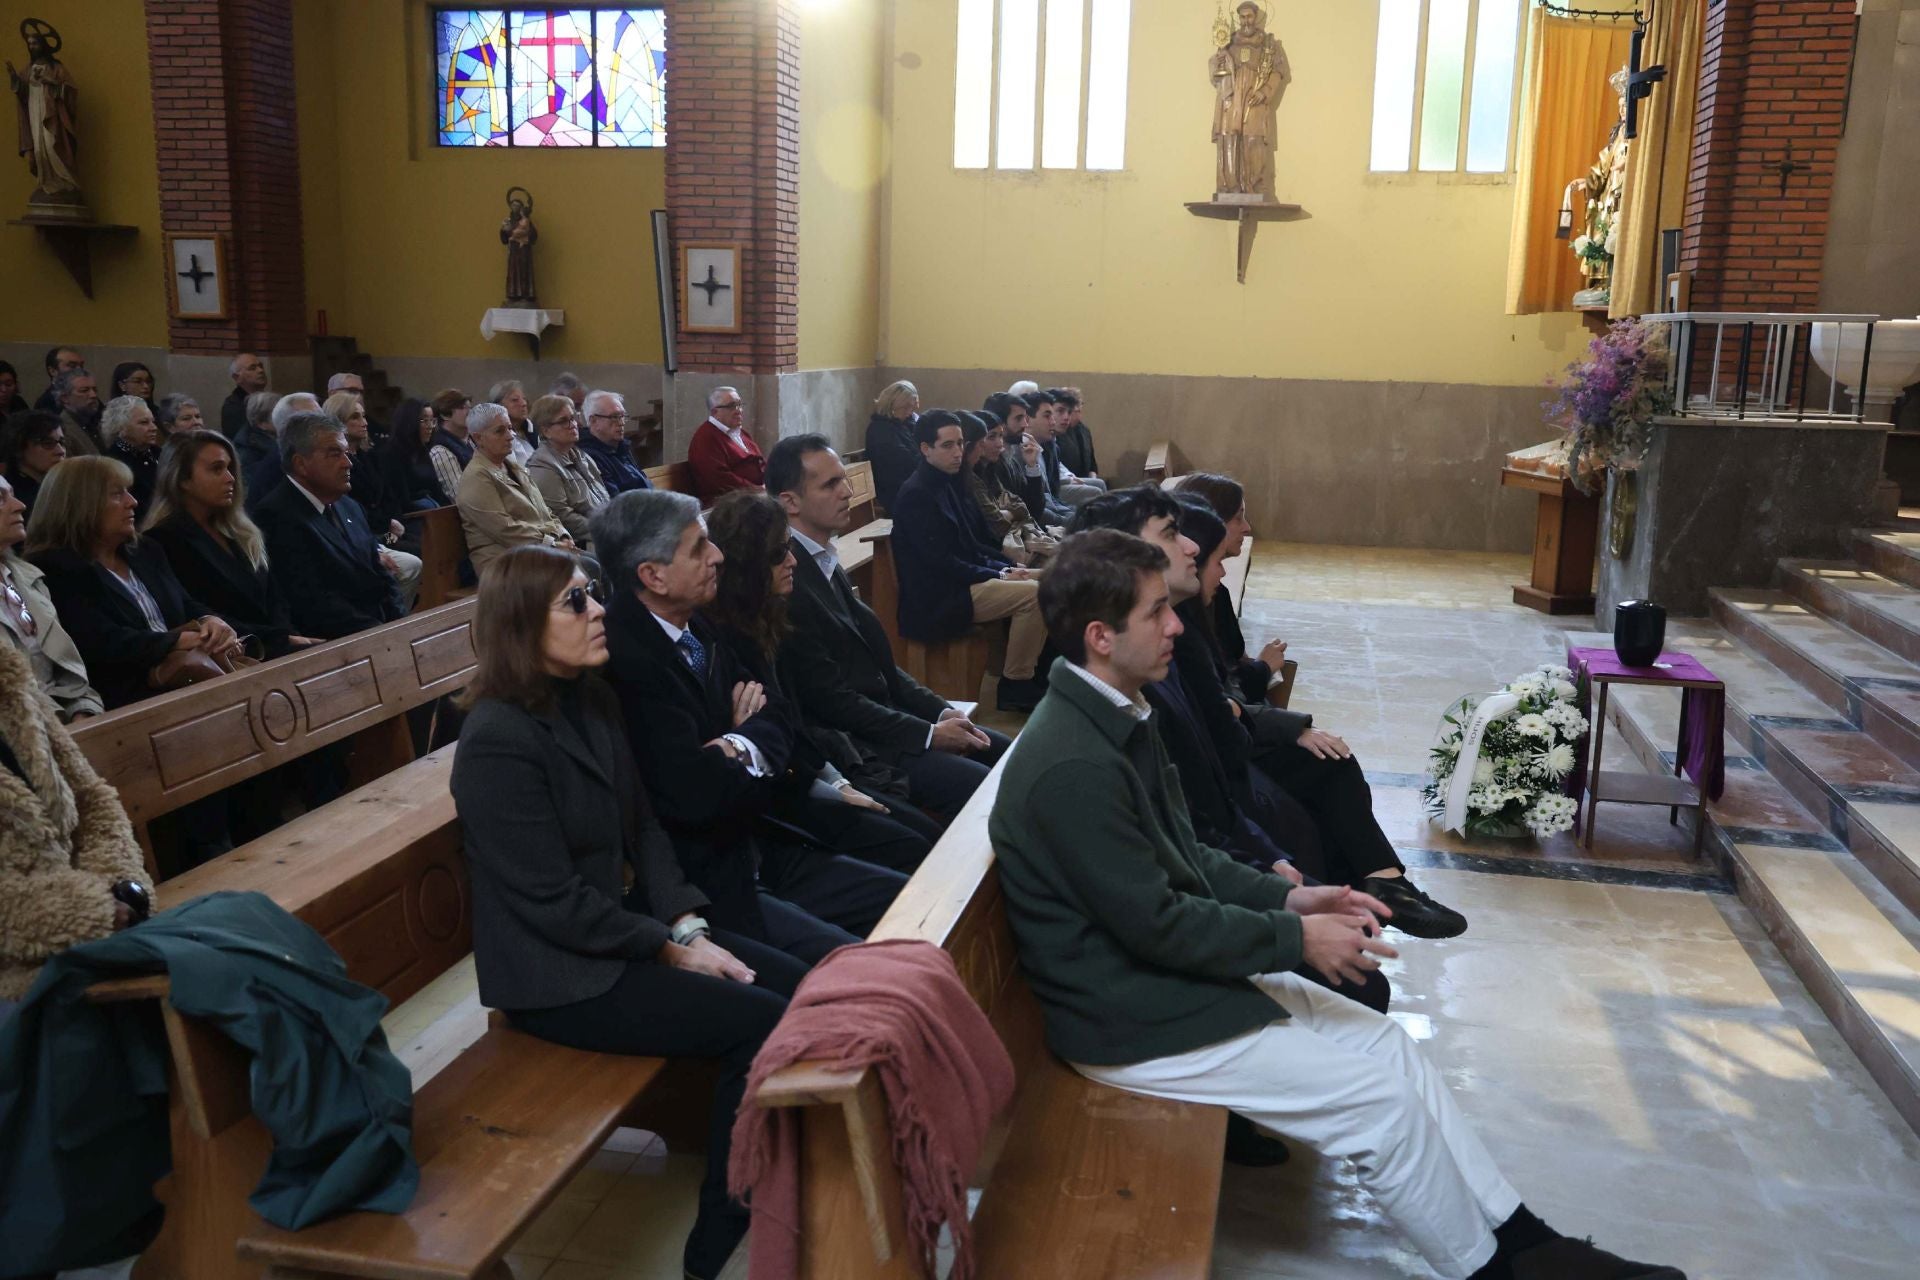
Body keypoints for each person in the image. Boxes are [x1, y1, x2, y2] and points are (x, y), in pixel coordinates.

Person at [990, 531, 1685, 1280]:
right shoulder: (1071, 764)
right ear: (1101, 637)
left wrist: (1293, 894)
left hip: (1155, 985)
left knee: (1388, 1050)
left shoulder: (1119, 714)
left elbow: (1185, 857)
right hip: (1126, 1019)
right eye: (1158, 612)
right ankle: (1491, 1274)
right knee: (1376, 1106)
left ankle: (1525, 1244)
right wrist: (1295, 938)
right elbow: (1157, 922)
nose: (1178, 626)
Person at [449, 545, 805, 1280]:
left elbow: (645, 829)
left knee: (801, 985)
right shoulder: (495, 742)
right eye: (575, 602)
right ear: (522, 624)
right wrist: (672, 950)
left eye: (595, 595)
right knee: (758, 1019)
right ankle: (723, 1232)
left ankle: (778, 1169)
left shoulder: (590, 696)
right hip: (558, 976)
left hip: (618, 934)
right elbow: (550, 902)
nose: (599, 610)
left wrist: (688, 926)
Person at [590, 489, 905, 965]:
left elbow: (777, 714)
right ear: (653, 576)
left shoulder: (696, 624)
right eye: (698, 548)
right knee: (857, 966)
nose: (717, 556)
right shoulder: (625, 658)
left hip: (763, 839)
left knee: (908, 898)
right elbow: (690, 795)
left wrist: (733, 743)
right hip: (710, 878)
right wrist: (747, 742)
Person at [767, 435, 1009, 820]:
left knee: (1012, 755)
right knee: (985, 789)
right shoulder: (788, 580)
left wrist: (941, 712)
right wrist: (927, 735)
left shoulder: (824, 558)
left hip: (887, 721)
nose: (846, 492)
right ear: (790, 501)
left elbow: (882, 666)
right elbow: (832, 702)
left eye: (844, 479)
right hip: (860, 744)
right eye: (830, 485)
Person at [706, 490, 943, 872]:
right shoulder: (730, 639)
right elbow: (790, 727)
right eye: (777, 554)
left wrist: (835, 781)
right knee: (914, 846)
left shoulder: (768, 615)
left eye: (788, 548)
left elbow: (789, 723)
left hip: (819, 765)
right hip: (783, 797)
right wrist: (834, 785)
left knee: (921, 836)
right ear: (744, 565)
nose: (792, 561)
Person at [0, 636, 149, 1016]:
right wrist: (92, 911)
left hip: (100, 923)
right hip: (17, 969)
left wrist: (118, 884)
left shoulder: (11, 682)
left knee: (233, 948)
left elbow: (92, 800)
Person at [25, 456, 242, 709]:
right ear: (81, 504)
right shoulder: (53, 568)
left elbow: (184, 603)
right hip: (131, 699)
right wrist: (176, 641)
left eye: (128, 492)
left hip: (192, 676)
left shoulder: (146, 550)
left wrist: (210, 621)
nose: (133, 502)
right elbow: (99, 642)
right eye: (117, 495)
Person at [889, 412, 1048, 712]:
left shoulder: (948, 482)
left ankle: (1040, 670)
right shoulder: (917, 494)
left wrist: (1007, 568)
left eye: (960, 443)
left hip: (963, 581)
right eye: (947, 445)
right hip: (941, 596)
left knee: (1051, 578)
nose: (958, 452)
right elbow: (941, 563)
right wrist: (999, 575)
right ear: (925, 448)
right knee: (1033, 595)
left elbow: (972, 544)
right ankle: (1016, 684)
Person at [142, 430, 319, 659]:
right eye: (217, 469)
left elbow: (274, 596)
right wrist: (279, 639)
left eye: (229, 468)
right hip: (238, 654)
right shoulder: (164, 540)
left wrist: (288, 635)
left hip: (281, 644)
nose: (230, 478)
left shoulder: (238, 531)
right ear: (183, 479)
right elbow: (198, 612)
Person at [252, 412, 406, 640]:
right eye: (335, 454)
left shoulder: (349, 506)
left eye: (346, 452)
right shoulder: (276, 515)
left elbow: (381, 575)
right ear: (300, 464)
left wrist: (401, 624)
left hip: (377, 631)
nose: (348, 463)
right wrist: (379, 634)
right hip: (336, 644)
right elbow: (314, 602)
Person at [1, 472, 104, 722]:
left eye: (13, 495)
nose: (20, 505)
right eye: (0, 499)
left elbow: (68, 670)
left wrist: (83, 709)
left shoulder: (29, 578)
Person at [1176, 472, 1278, 701]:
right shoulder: (1188, 606)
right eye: (1238, 518)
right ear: (1211, 521)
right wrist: (1263, 667)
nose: (1247, 527)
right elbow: (1221, 691)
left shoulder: (1216, 591)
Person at [456, 402, 575, 574]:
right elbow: (505, 529)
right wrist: (552, 544)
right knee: (587, 567)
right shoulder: (476, 477)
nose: (510, 436)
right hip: (505, 562)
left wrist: (564, 535)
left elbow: (545, 511)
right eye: (500, 431)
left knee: (597, 563)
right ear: (478, 438)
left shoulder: (514, 467)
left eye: (510, 428)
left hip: (539, 551)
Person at [962, 411, 1057, 566]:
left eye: (1001, 436)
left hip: (1020, 536)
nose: (1000, 444)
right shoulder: (971, 477)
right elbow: (998, 523)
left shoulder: (994, 466)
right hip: (1004, 549)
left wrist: (1032, 466)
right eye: (991, 437)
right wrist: (1012, 512)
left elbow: (1028, 507)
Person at [526, 394, 611, 549]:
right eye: (563, 421)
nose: (573, 424)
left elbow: (602, 496)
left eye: (572, 418)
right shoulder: (542, 467)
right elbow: (562, 516)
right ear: (545, 431)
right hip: (584, 541)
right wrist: (605, 530)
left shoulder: (581, 456)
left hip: (604, 527)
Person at [983, 391, 1064, 525]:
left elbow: (1035, 509)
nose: (1025, 424)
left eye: (1025, 418)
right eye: (1018, 418)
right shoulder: (991, 463)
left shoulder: (1012, 459)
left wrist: (1032, 467)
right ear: (1000, 423)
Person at [686, 386, 765, 500]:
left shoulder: (740, 433)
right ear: (715, 412)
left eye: (740, 405)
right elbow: (718, 479)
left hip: (754, 495)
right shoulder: (706, 438)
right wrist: (757, 490)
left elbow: (760, 462)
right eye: (732, 406)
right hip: (729, 502)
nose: (739, 410)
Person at [578, 389, 652, 495]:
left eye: (622, 416)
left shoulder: (621, 447)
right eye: (614, 417)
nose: (621, 423)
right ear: (594, 421)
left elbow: (643, 483)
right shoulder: (590, 457)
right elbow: (615, 503)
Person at [381, 398, 448, 512]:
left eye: (432, 420)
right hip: (414, 518)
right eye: (424, 420)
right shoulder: (392, 454)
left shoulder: (423, 451)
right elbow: (402, 500)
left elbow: (437, 491)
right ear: (410, 422)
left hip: (433, 512)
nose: (430, 426)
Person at [865, 379, 921, 513]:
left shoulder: (905, 423)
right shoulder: (880, 430)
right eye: (906, 408)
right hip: (893, 489)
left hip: (910, 480)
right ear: (891, 405)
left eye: (912, 408)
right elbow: (902, 463)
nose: (910, 412)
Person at [99, 396, 161, 514]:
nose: (153, 428)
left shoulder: (159, 453)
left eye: (153, 421)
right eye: (144, 423)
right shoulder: (113, 463)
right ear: (121, 428)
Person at [0, 410, 67, 516]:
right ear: (19, 449)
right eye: (47, 443)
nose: (61, 451)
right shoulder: (12, 497)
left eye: (62, 442)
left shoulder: (63, 486)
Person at [426, 389, 475, 504]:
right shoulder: (440, 450)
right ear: (445, 414)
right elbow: (461, 497)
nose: (470, 412)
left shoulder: (473, 440)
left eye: (470, 407)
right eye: (463, 408)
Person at [232, 390, 281, 496]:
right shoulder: (247, 451)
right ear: (261, 422)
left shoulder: (279, 440)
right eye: (279, 414)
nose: (286, 418)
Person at [1050, 387, 1099, 481]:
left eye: (1080, 408)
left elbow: (1092, 464)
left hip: (1077, 478)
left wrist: (1093, 479)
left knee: (1098, 484)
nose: (1066, 416)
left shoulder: (1084, 430)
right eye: (1061, 411)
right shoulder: (1057, 432)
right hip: (1064, 481)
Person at [51, 367, 101, 457]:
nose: (93, 395)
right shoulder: (62, 430)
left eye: (95, 390)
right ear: (65, 398)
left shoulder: (97, 422)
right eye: (84, 391)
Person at [486, 378, 538, 465]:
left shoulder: (532, 430)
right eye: (515, 400)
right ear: (498, 405)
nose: (524, 403)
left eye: (524, 399)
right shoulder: (495, 437)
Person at [221, 352, 269, 438]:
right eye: (252, 368)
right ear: (237, 377)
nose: (260, 370)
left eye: (261, 366)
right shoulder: (233, 406)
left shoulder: (269, 400)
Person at [31, 345, 83, 412]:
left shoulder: (89, 395)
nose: (80, 371)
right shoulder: (46, 403)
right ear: (53, 371)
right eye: (72, 366)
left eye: (81, 366)